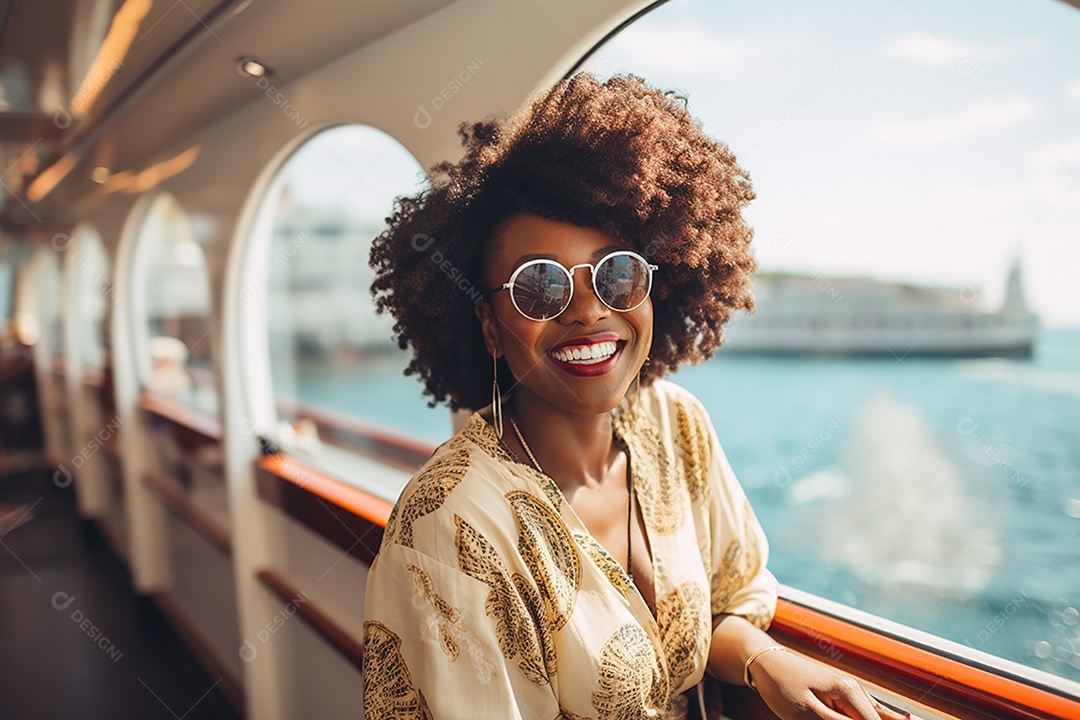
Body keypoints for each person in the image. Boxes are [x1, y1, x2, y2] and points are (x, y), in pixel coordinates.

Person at [364, 72, 908, 720]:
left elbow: (719, 606)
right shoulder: (447, 529)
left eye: (617, 274)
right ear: (488, 326)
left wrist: (763, 660)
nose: (589, 311)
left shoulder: (675, 423)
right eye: (541, 287)